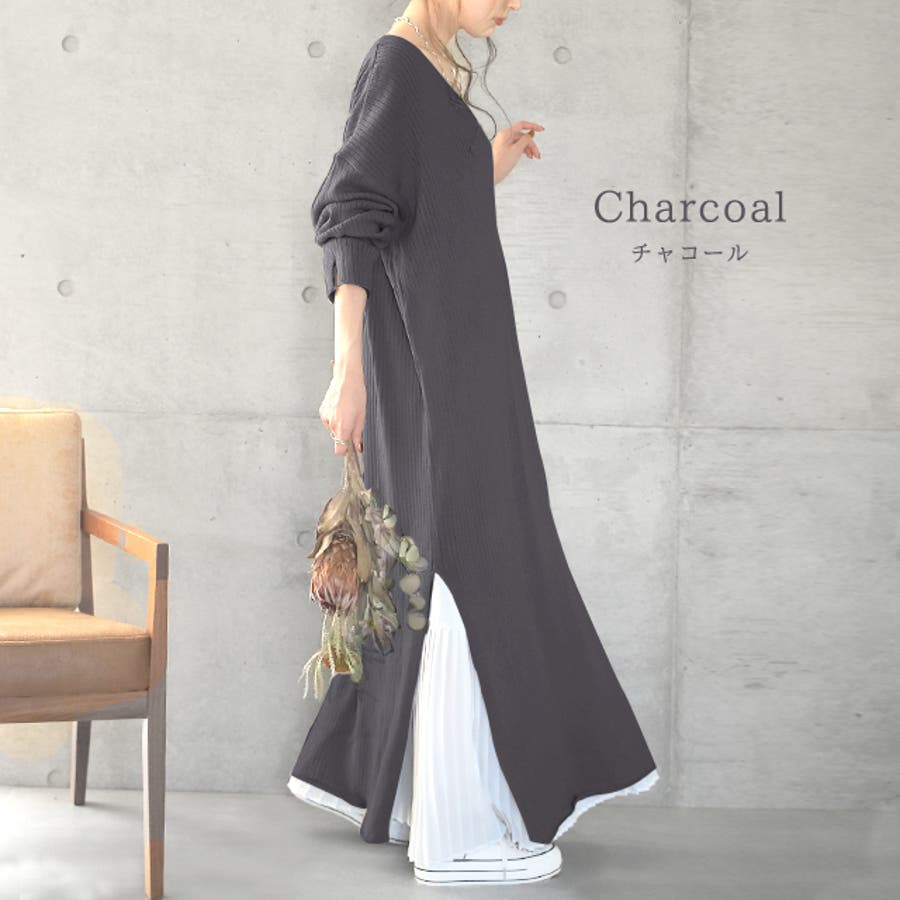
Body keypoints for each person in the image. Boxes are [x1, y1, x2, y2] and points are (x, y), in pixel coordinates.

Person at [287, 0, 660, 886]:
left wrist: (482, 165)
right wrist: (347, 371)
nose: (515, 3)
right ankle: (459, 834)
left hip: (470, 366)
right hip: (435, 374)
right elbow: (353, 214)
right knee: (464, 560)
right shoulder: (395, 66)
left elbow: (422, 207)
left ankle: (416, 795)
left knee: (474, 555)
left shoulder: (436, 70)